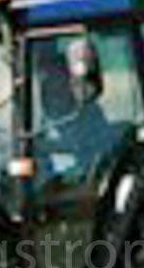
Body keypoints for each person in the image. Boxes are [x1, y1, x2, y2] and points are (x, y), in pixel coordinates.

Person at [33, 36, 123, 182]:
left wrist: (47, 147)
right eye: (46, 81)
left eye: (57, 80)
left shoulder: (88, 114)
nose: (51, 88)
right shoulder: (31, 118)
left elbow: (95, 151)